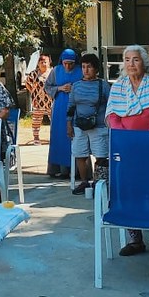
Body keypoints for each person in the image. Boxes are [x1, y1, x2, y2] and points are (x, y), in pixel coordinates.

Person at [105, 45, 149, 261]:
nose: (131, 63)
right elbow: (113, 115)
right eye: (127, 59)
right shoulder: (118, 86)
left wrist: (144, 139)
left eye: (136, 59)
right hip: (127, 149)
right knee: (128, 191)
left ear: (144, 62)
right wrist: (127, 139)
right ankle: (135, 240)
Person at [67, 53, 111, 196]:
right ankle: (84, 181)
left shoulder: (103, 85)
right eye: (84, 67)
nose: (86, 70)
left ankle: (99, 182)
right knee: (80, 153)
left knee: (101, 155)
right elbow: (71, 105)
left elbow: (111, 105)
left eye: (89, 67)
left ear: (96, 69)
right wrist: (69, 124)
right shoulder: (76, 86)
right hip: (78, 125)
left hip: (98, 126)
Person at [44, 49, 82, 179]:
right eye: (65, 63)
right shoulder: (56, 71)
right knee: (59, 136)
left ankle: (77, 170)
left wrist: (74, 89)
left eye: (70, 63)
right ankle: (60, 169)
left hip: (76, 106)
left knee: (76, 137)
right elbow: (47, 87)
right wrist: (59, 88)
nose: (67, 66)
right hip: (60, 107)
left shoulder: (80, 70)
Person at [25, 54, 54, 145]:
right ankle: (36, 137)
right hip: (38, 102)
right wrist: (33, 91)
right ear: (38, 64)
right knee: (36, 121)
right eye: (41, 62)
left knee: (54, 120)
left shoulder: (53, 73)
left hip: (51, 101)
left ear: (49, 63)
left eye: (45, 62)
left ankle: (54, 137)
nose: (43, 64)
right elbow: (27, 83)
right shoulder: (34, 73)